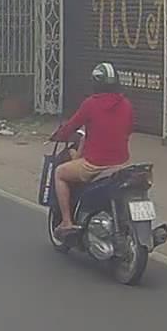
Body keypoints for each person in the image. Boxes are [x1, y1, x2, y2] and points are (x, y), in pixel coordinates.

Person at [49, 61, 134, 236]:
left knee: (59, 173)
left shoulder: (90, 104)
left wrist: (58, 135)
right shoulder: (126, 104)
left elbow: (72, 126)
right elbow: (128, 130)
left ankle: (66, 222)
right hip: (121, 164)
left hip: (94, 165)